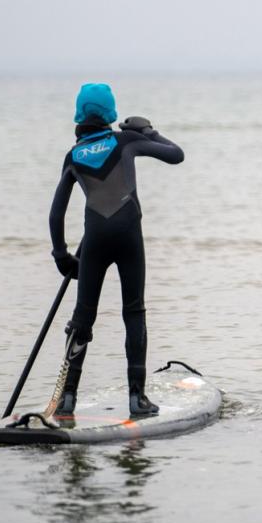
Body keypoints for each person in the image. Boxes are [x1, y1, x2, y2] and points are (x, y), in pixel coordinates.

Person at [48, 82, 184, 417]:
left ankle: (66, 400)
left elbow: (56, 213)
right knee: (133, 312)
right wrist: (149, 131)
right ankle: (137, 399)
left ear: (79, 116)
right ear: (111, 114)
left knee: (84, 317)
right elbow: (176, 155)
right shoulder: (125, 141)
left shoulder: (73, 157)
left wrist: (61, 256)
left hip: (94, 241)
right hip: (128, 238)